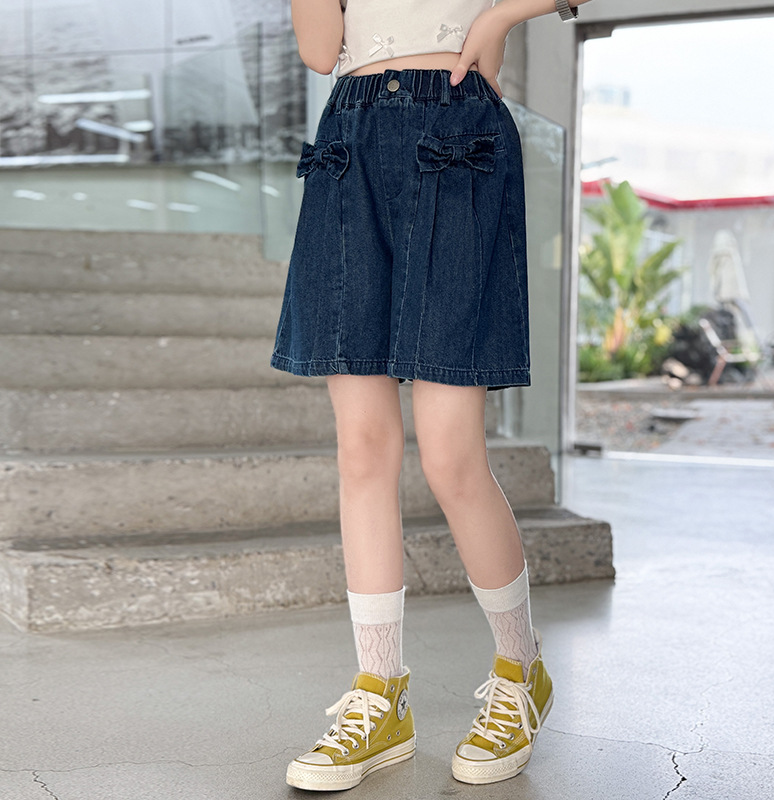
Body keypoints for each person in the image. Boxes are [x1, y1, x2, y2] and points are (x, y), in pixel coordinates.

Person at [272, 0, 592, 790]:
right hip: (349, 138)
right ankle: (381, 694)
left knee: (451, 456)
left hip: (457, 132)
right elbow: (319, 48)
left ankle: (520, 672)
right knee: (362, 449)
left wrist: (500, 19)